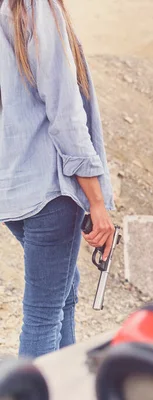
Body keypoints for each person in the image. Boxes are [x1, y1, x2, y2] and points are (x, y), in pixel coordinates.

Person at [0, 0, 116, 358]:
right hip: (51, 192)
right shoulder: (33, 7)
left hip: (12, 192)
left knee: (65, 291)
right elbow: (65, 114)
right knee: (41, 317)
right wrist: (97, 202)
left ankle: (65, 386)